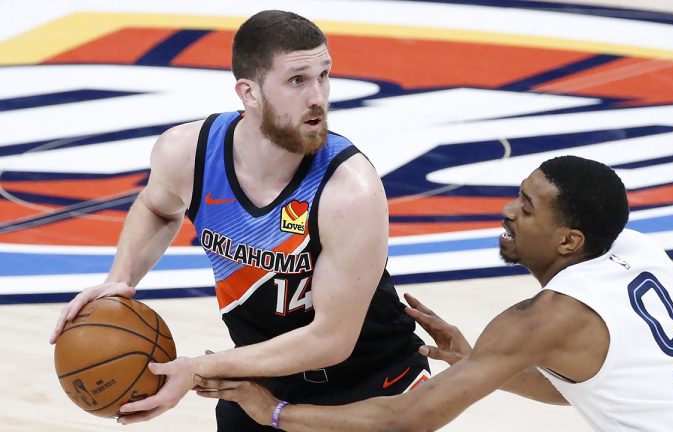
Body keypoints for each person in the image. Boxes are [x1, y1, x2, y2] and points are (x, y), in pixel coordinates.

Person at [49, 10, 429, 430]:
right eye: (298, 80)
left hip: (370, 385)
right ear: (248, 92)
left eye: (324, 75)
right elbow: (157, 207)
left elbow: (330, 340)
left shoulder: (350, 188)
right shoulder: (187, 154)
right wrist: (120, 279)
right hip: (259, 379)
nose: (319, 96)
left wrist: (197, 369)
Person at [194, 155, 673, 431]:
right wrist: (476, 360)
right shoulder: (637, 249)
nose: (507, 212)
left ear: (569, 240)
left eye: (527, 207)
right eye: (518, 195)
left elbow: (408, 418)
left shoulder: (544, 318)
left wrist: (275, 412)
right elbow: (589, 388)